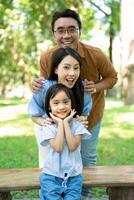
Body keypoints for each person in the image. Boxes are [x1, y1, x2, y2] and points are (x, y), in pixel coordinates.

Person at [32, 9, 118, 199]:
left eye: (72, 29)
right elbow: (46, 87)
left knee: (86, 158)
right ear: (54, 33)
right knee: (50, 161)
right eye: (60, 30)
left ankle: (82, 196)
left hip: (88, 117)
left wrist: (94, 87)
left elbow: (112, 78)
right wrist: (35, 84)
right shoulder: (47, 57)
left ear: (80, 30)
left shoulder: (96, 55)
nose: (66, 35)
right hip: (54, 119)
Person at [28, 47, 92, 168]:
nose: (72, 73)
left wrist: (82, 119)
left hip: (72, 129)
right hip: (48, 129)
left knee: (72, 162)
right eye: (66, 67)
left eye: (76, 68)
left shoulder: (83, 89)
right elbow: (34, 115)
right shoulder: (43, 87)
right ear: (56, 69)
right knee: (48, 163)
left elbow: (85, 113)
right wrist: (45, 122)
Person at [39, 83, 91, 200]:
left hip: (74, 176)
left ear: (71, 103)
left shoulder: (78, 125)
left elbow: (72, 146)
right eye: (56, 103)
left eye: (66, 102)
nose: (61, 107)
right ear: (49, 106)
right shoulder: (48, 127)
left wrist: (65, 123)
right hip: (51, 176)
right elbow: (58, 147)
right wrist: (60, 124)